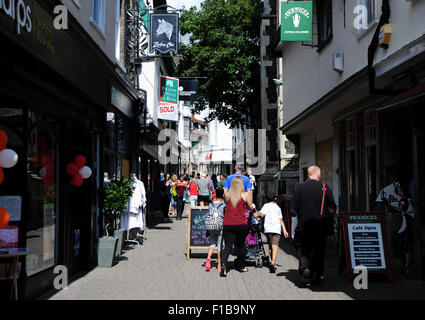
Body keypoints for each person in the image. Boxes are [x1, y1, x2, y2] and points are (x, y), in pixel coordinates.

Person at [291, 166, 336, 286]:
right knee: (319, 250)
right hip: (321, 225)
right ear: (319, 175)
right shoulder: (325, 188)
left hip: (304, 225)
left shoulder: (300, 188)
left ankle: (305, 268)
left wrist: (302, 215)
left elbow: (293, 209)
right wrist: (329, 217)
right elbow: (332, 207)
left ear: (308, 174)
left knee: (302, 248)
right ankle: (317, 275)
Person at [220, 176, 254, 277]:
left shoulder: (227, 195)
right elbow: (250, 205)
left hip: (228, 223)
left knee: (228, 246)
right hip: (240, 223)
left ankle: (223, 265)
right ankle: (241, 266)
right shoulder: (245, 194)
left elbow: (227, 203)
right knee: (241, 246)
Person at [253, 192, 289, 273]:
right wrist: (285, 230)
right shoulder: (278, 208)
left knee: (270, 245)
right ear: (275, 198)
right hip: (276, 228)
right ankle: (273, 262)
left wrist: (255, 213)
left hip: (268, 228)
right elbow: (281, 220)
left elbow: (261, 215)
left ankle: (273, 262)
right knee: (275, 244)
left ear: (266, 199)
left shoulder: (266, 205)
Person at [390, 186, 415, 277]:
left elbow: (399, 209)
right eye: (398, 191)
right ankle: (406, 266)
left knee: (406, 247)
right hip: (409, 224)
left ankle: (406, 267)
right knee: (407, 247)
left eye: (401, 190)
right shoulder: (409, 199)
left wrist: (390, 205)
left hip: (407, 225)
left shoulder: (403, 200)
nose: (400, 192)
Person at [205, 187, 226, 272]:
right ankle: (219, 264)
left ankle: (208, 259)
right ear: (223, 195)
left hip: (211, 226)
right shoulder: (224, 205)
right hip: (220, 226)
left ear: (215, 194)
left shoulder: (211, 204)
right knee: (219, 245)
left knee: (212, 243)